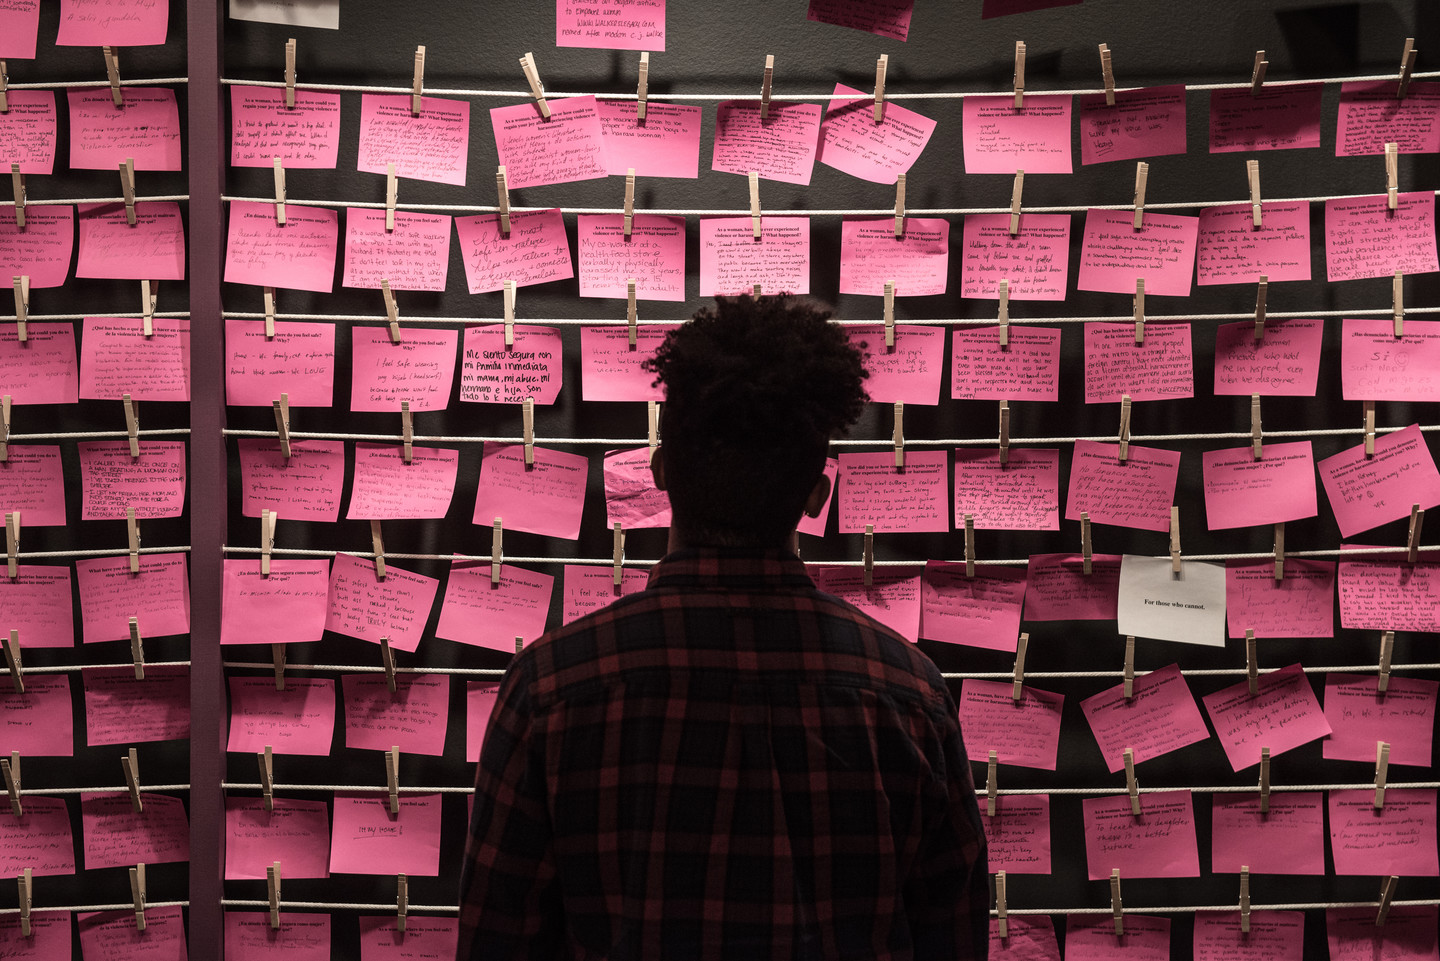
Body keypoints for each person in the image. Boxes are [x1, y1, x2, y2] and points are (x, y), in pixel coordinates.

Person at [457, 295, 988, 960]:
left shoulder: (550, 687)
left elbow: (497, 940)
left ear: (659, 472)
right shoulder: (909, 695)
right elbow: (955, 938)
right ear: (816, 495)